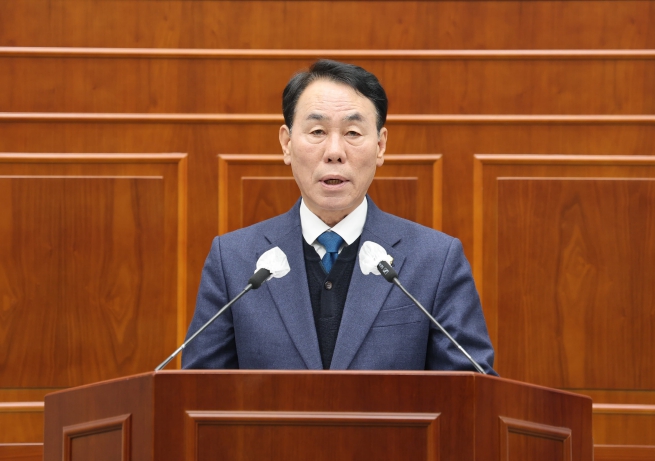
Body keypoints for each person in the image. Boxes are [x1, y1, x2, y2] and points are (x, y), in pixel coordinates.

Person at [182, 59, 496, 373]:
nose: (334, 152)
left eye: (353, 132)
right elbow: (197, 391)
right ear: (287, 144)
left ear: (380, 146)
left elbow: (471, 388)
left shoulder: (435, 260)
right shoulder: (233, 261)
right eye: (317, 131)